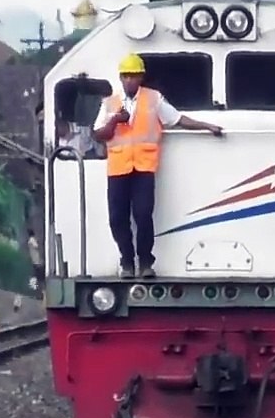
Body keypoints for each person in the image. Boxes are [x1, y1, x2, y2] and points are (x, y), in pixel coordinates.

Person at [92, 52, 225, 278]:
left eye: (134, 76)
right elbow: (98, 134)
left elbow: (178, 119)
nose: (129, 80)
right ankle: (126, 261)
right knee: (117, 218)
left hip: (144, 168)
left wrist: (207, 126)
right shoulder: (110, 104)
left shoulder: (154, 99)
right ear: (121, 78)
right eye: (126, 76)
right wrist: (115, 119)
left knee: (143, 215)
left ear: (141, 77)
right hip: (118, 169)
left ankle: (145, 263)